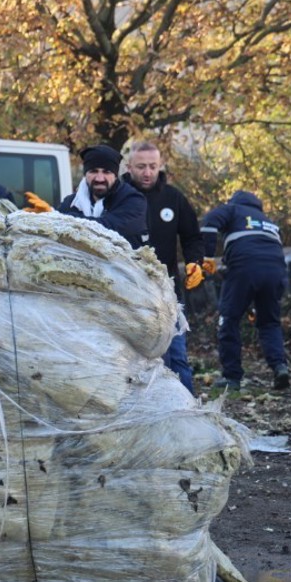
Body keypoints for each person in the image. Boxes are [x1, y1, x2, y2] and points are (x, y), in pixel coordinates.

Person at [122, 141, 205, 393]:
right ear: (129, 167)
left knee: (177, 357)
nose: (147, 172)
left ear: (160, 166)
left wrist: (194, 262)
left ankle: (188, 414)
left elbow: (193, 236)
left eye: (152, 166)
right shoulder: (118, 198)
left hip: (167, 294)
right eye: (141, 167)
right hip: (126, 293)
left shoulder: (173, 198)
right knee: (132, 361)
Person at [200, 191, 289, 391]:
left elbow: (208, 223)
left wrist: (207, 256)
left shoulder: (232, 209)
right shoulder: (269, 221)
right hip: (276, 271)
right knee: (269, 322)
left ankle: (232, 378)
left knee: (229, 320)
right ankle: (280, 367)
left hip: (244, 268)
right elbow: (266, 252)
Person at [29, 144, 147, 249]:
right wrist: (46, 218)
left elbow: (107, 228)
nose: (99, 178)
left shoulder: (133, 200)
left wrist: (59, 217)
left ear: (115, 175)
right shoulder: (71, 203)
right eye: (94, 171)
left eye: (106, 172)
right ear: (85, 174)